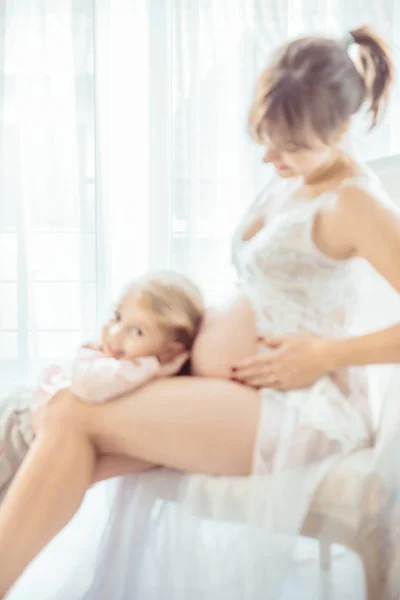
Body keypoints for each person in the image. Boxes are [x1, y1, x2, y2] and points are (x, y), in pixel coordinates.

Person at [0, 25, 399, 600]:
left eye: (289, 145)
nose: (270, 156)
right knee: (65, 422)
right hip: (244, 394)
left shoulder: (357, 201)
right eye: (264, 137)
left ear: (340, 130)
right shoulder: (293, 178)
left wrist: (327, 354)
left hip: (300, 413)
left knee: (71, 412)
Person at [0, 271, 202, 505]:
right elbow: (89, 386)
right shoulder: (96, 358)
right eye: (117, 317)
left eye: (137, 332)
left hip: (33, 445)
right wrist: (153, 364)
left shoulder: (147, 379)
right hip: (15, 427)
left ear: (172, 351)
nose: (115, 335)